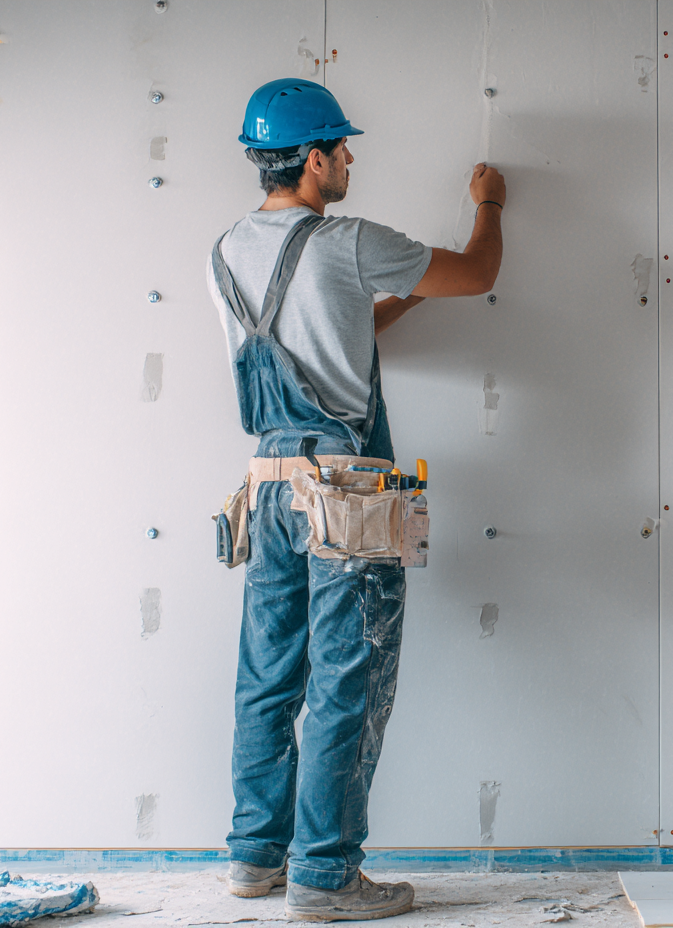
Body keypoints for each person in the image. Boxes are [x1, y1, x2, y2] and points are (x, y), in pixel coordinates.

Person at [205, 78, 505, 922]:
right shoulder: (344, 242)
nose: (349, 160)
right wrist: (490, 205)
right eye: (341, 149)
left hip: (266, 486)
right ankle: (327, 878)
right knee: (347, 675)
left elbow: (338, 332)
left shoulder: (224, 250)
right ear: (312, 159)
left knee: (268, 678)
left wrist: (399, 296)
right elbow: (479, 272)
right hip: (346, 493)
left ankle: (256, 859)